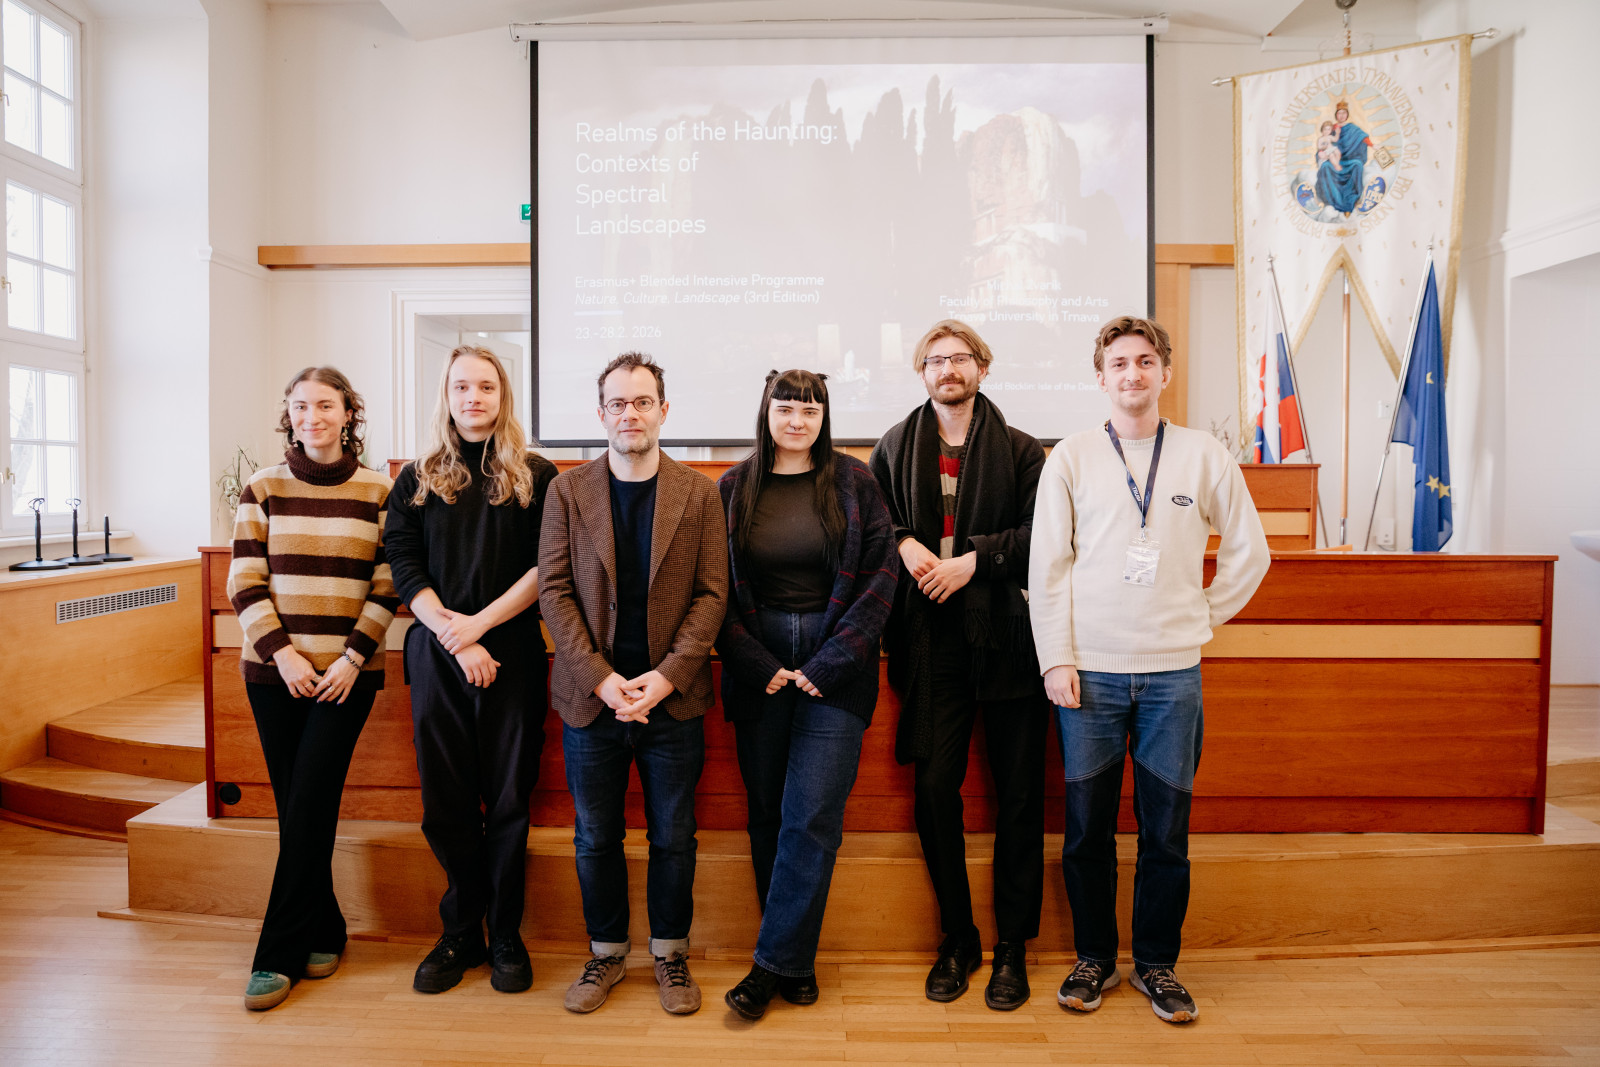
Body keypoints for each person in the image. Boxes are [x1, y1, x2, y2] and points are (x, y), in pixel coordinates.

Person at [1029, 316, 1269, 1024]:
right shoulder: (1070, 457)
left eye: (1143, 361)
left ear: (1164, 372)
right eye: (1118, 363)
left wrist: (1201, 616)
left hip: (1173, 678)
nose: (1131, 373)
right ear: (1100, 377)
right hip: (1089, 675)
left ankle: (1157, 964)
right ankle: (1095, 958)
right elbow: (1048, 567)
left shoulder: (1204, 455)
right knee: (1087, 831)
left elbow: (1250, 552)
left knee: (1165, 832)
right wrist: (1056, 657)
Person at [538, 352, 728, 1016]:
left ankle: (670, 954)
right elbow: (554, 593)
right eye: (617, 403)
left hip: (672, 702)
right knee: (595, 835)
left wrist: (666, 677)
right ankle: (607, 951)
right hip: (591, 703)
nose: (630, 414)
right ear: (601, 414)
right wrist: (603, 679)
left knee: (673, 834)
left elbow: (712, 596)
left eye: (642, 401)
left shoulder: (699, 493)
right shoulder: (567, 492)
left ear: (663, 410)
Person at [867, 320, 1049, 1011]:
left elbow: (1042, 535)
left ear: (982, 368)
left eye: (960, 358)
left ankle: (1013, 946)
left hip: (1008, 638)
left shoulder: (1024, 450)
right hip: (930, 643)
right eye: (935, 359)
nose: (948, 368)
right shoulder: (892, 446)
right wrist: (904, 542)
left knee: (1020, 797)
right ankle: (960, 937)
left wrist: (976, 560)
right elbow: (872, 524)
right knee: (935, 790)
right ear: (921, 372)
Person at [715, 370, 900, 1020]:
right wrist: (753, 659)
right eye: (785, 408)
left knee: (812, 814)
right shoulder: (732, 487)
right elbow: (713, 588)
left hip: (837, 666)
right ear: (766, 413)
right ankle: (793, 958)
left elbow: (881, 574)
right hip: (757, 665)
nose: (797, 420)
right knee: (767, 812)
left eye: (810, 410)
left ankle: (769, 965)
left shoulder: (856, 482)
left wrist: (833, 660)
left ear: (824, 417)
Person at [383, 345, 558, 996]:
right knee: (446, 800)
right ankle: (461, 930)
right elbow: (404, 564)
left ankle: (506, 932)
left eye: (486, 386)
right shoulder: (417, 477)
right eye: (462, 386)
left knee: (509, 799)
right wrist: (456, 638)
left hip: (511, 651)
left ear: (502, 395)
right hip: (437, 652)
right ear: (447, 395)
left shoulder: (536, 474)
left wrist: (479, 627)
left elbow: (546, 567)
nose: (473, 397)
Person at [228, 366, 398, 1011]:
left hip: (346, 679)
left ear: (349, 412)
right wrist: (284, 656)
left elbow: (388, 583)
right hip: (274, 676)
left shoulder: (380, 490)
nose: (312, 417)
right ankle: (325, 927)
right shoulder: (263, 487)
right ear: (289, 414)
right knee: (299, 807)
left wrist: (352, 658)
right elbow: (244, 583)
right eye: (300, 406)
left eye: (325, 405)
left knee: (309, 803)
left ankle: (276, 953)